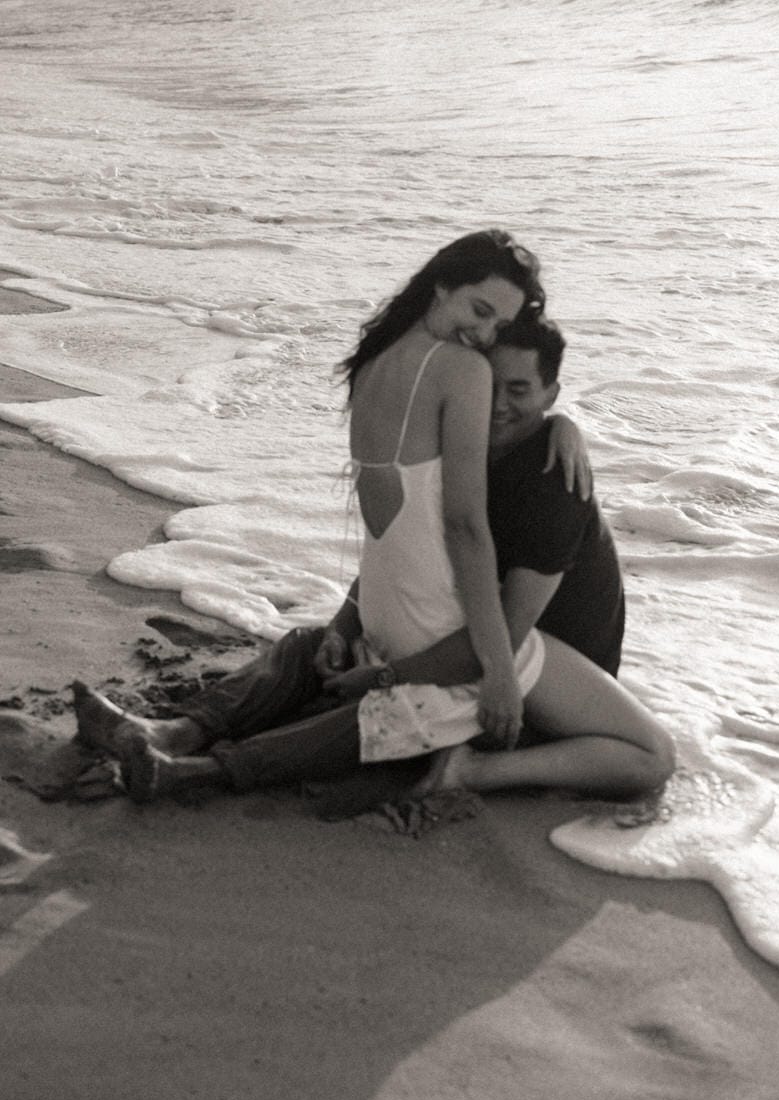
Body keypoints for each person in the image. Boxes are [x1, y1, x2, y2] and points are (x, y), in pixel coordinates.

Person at [74, 301, 674, 804]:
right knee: (314, 648)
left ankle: (470, 772)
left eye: (520, 390)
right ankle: (175, 732)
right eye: (489, 385)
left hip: (537, 687)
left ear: (551, 393)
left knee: (408, 699)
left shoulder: (552, 485)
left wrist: (387, 672)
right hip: (470, 631)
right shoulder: (459, 446)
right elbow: (405, 551)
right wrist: (344, 626)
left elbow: (504, 642)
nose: (496, 405)